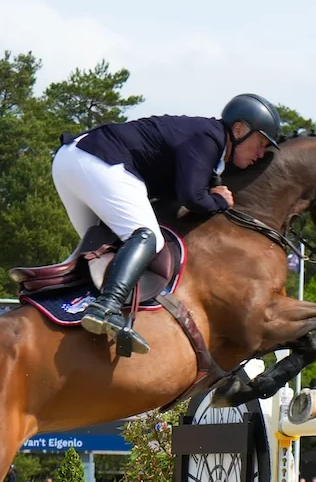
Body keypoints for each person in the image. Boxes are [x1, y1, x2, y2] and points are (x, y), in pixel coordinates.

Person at [52, 94, 283, 354]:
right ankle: (107, 307)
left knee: (101, 252)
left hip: (70, 160)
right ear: (239, 129)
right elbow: (192, 197)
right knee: (148, 236)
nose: (261, 153)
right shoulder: (209, 138)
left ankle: (58, 301)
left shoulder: (206, 139)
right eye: (260, 143)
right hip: (99, 160)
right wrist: (219, 201)